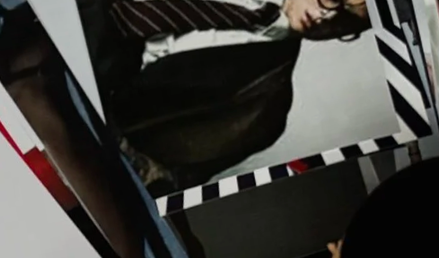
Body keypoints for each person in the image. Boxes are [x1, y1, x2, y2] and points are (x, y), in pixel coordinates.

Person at [79, 0, 372, 193]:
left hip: (87, 108)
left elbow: (169, 180)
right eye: (332, 0)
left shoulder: (267, 108)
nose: (325, 16)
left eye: (348, 22)